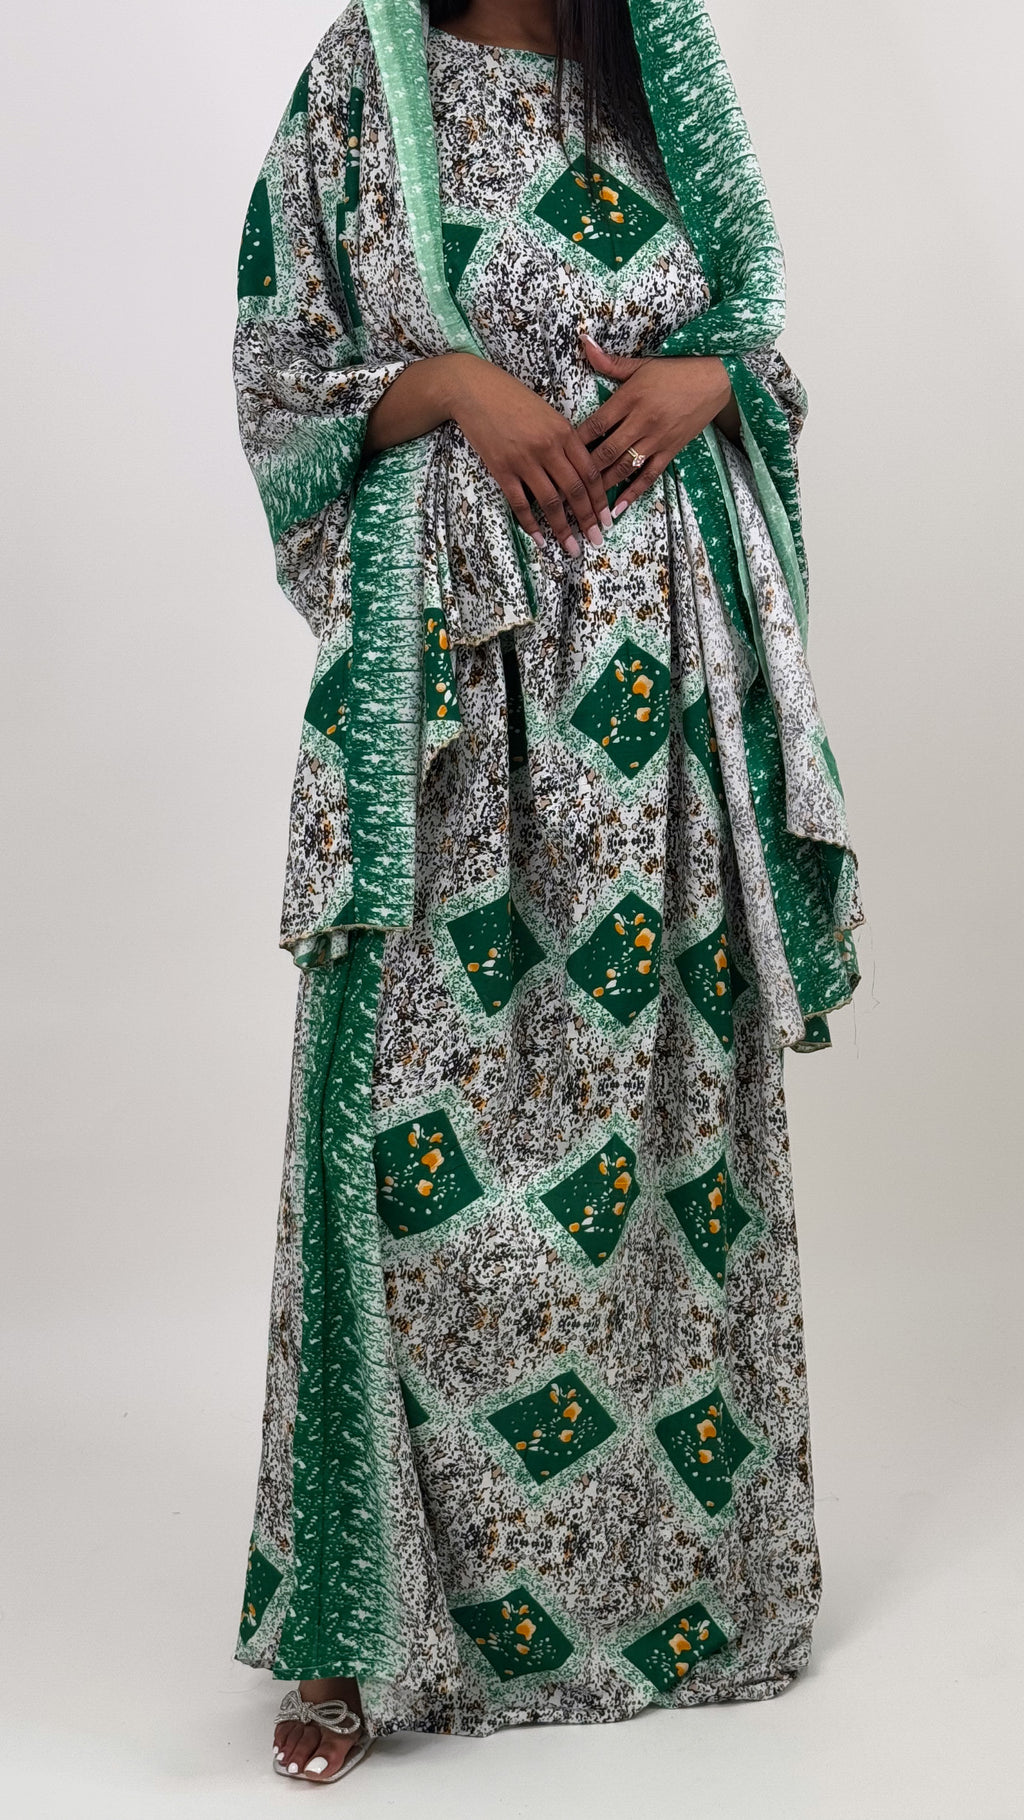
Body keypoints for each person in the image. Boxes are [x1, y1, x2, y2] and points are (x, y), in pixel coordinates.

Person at [232, 0, 863, 1783]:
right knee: (395, 1119)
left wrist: (711, 381)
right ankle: (355, 1629)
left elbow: (756, 347)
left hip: (660, 721)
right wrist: (455, 389)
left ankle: (680, 1601)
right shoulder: (364, 82)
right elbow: (279, 376)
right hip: (457, 694)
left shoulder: (652, 78)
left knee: (665, 1145)